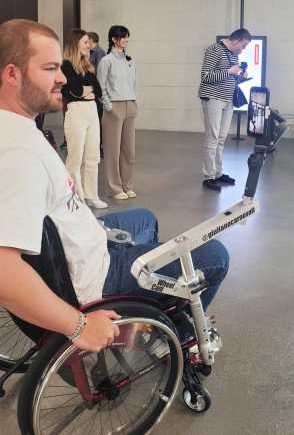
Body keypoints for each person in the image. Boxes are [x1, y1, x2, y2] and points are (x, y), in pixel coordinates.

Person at [0, 19, 229, 353]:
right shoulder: (18, 153)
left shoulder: (18, 126)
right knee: (215, 256)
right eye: (50, 68)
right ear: (12, 74)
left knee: (144, 218)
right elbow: (5, 270)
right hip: (93, 275)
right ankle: (177, 339)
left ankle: (146, 312)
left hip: (83, 239)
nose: (63, 77)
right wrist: (78, 325)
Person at [198, 28, 251, 192]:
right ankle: (208, 176)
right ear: (236, 41)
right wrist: (229, 71)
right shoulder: (214, 50)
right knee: (212, 138)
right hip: (213, 98)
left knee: (221, 138)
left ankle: (218, 173)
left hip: (228, 100)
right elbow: (206, 76)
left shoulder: (234, 54)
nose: (243, 50)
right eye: (243, 46)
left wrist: (240, 77)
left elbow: (228, 78)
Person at [61, 29, 107, 209]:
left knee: (93, 156)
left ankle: (91, 195)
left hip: (91, 111)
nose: (89, 45)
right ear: (76, 44)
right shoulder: (66, 65)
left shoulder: (88, 66)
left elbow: (98, 91)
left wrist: (86, 91)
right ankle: (77, 197)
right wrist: (85, 91)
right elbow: (75, 90)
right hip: (76, 112)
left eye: (89, 42)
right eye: (85, 42)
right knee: (75, 158)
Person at [97, 25, 137, 200]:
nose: (127, 40)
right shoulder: (106, 61)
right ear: (114, 39)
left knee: (129, 150)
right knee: (112, 151)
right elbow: (101, 87)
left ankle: (127, 185)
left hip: (130, 106)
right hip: (114, 107)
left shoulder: (130, 60)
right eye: (124, 37)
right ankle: (114, 188)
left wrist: (135, 103)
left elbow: (133, 84)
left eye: (127, 37)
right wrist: (109, 107)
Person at [87, 31, 105, 158]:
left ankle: (99, 148)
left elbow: (100, 74)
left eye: (87, 40)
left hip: (96, 92)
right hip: (92, 91)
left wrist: (96, 91)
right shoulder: (92, 53)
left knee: (98, 121)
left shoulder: (99, 53)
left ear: (92, 40)